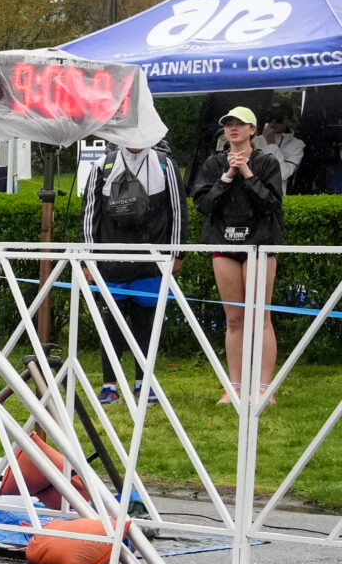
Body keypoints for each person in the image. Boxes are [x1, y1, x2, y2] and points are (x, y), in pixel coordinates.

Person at [80, 136, 184, 405]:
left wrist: (175, 254)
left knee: (145, 324)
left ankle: (143, 382)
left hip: (151, 263)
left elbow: (178, 211)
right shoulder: (103, 166)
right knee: (110, 326)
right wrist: (89, 258)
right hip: (111, 263)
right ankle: (109, 385)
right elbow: (90, 213)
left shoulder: (165, 166)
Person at [193, 106, 286, 406]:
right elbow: (203, 204)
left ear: (253, 130)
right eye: (228, 124)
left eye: (240, 124)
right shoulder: (213, 163)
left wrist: (247, 172)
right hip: (224, 245)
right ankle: (233, 386)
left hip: (260, 244)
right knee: (234, 318)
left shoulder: (268, 162)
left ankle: (262, 387)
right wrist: (227, 176)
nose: (233, 128)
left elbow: (271, 204)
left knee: (260, 316)